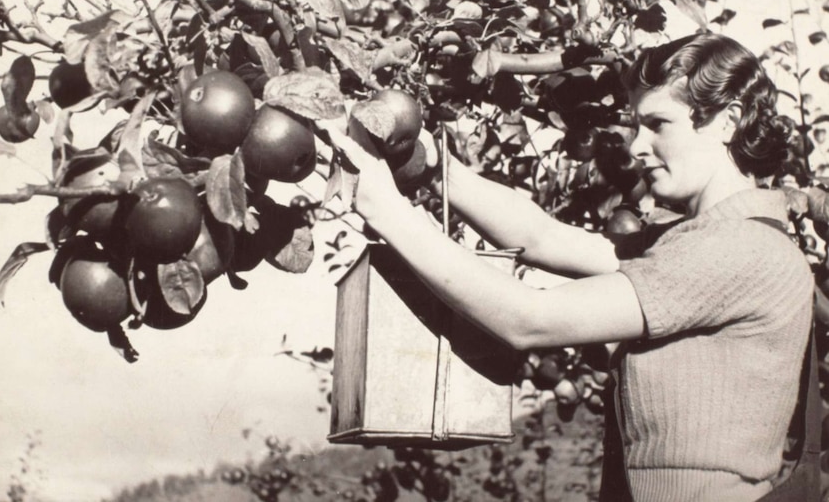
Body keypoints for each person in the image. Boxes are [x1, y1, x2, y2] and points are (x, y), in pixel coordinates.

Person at [330, 33, 814, 502]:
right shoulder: (700, 240)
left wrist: (386, 210)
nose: (636, 147)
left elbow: (528, 320)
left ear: (728, 121)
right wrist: (439, 170)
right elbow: (543, 238)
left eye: (659, 124)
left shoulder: (737, 250)